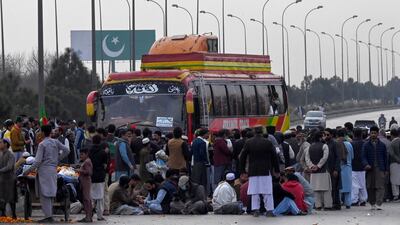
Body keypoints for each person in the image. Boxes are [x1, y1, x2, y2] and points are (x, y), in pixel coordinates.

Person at [23, 125, 70, 223]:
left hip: (44, 170)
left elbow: (37, 162)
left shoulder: (42, 144)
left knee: (44, 194)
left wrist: (27, 171)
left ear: (43, 133)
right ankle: (49, 215)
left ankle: (48, 216)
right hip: (53, 169)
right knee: (50, 193)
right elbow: (67, 150)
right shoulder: (55, 142)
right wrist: (57, 159)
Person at [239, 126, 279, 217]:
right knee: (267, 191)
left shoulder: (248, 142)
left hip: (253, 170)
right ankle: (269, 210)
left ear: (254, 132)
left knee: (254, 191)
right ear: (262, 132)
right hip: (266, 170)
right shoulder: (267, 142)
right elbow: (274, 157)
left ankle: (255, 210)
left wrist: (242, 170)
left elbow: (242, 157)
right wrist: (276, 170)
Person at [362, 126, 388, 210]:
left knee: (380, 186)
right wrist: (366, 164)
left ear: (377, 134)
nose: (373, 134)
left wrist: (386, 169)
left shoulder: (382, 145)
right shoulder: (366, 145)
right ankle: (372, 203)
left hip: (380, 168)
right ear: (370, 134)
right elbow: (363, 157)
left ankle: (378, 203)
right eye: (372, 133)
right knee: (370, 186)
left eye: (375, 133)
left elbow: (385, 158)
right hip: (370, 169)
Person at [305, 131, 332, 210]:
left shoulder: (309, 147)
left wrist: (312, 166)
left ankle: (318, 205)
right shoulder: (325, 146)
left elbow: (307, 158)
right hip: (323, 170)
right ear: (320, 137)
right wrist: (318, 166)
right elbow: (325, 157)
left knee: (315, 189)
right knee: (326, 189)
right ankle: (327, 205)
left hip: (314, 172)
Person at [89, 135, 108, 221]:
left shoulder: (89, 151)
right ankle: (99, 215)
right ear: (100, 141)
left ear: (93, 141)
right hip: (100, 176)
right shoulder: (103, 152)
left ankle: (90, 213)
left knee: (91, 196)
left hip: (91, 175)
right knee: (100, 196)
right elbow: (105, 166)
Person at [324, 128, 341, 210]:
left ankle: (336, 204)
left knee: (335, 187)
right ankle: (330, 203)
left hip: (333, 169)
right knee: (329, 187)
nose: (326, 136)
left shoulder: (334, 143)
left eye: (327, 135)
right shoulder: (325, 144)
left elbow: (338, 157)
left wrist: (336, 169)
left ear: (331, 135)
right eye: (325, 134)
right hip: (327, 169)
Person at [351, 128, 368, 206]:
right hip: (363, 166)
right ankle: (363, 199)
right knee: (362, 184)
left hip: (353, 167)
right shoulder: (365, 143)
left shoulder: (351, 144)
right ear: (361, 134)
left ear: (353, 134)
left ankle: (354, 200)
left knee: (354, 185)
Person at [337, 129, 354, 209]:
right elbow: (352, 156)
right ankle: (348, 203)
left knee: (339, 186)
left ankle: (339, 201)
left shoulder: (337, 144)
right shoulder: (349, 144)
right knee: (348, 187)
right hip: (348, 167)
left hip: (339, 167)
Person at [0, 139, 16, 218]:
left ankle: (14, 215)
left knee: (10, 197)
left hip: (10, 179)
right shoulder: (0, 154)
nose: (0, 144)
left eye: (1, 143)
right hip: (1, 179)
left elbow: (9, 167)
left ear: (6, 144)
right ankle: (3, 213)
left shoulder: (11, 155)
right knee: (2, 197)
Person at [77, 148, 93, 223]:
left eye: (82, 154)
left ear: (86, 154)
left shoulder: (87, 162)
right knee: (86, 199)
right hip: (84, 182)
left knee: (87, 199)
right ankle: (88, 216)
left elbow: (89, 172)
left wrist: (80, 171)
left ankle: (88, 216)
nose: (81, 156)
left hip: (86, 182)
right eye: (80, 154)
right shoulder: (86, 161)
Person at [389, 128, 400, 201]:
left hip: (394, 163)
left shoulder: (392, 143)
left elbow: (392, 154)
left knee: (394, 180)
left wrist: (398, 160)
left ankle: (396, 196)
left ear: (391, 135)